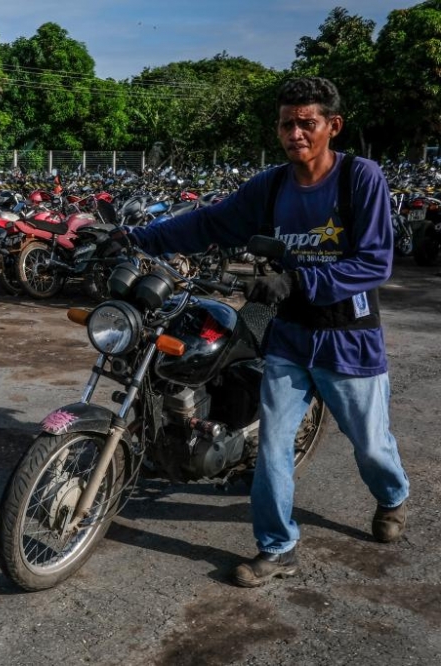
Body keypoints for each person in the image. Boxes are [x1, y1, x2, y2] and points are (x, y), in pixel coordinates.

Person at [127, 76, 410, 588]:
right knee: (273, 446)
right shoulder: (273, 184)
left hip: (349, 337)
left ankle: (392, 497)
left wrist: (299, 278)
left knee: (369, 445)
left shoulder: (360, 178)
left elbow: (375, 263)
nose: (296, 133)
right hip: (289, 336)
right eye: (287, 124)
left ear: (332, 126)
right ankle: (278, 548)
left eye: (308, 123)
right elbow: (212, 222)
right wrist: (141, 237)